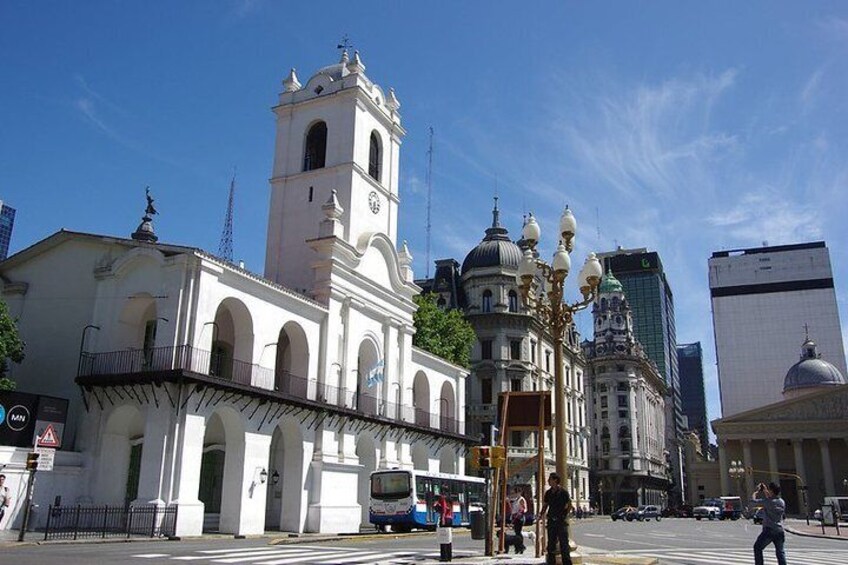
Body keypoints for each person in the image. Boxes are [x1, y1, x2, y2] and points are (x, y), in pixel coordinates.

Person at [539, 472, 573, 565]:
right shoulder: (548, 493)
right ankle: (551, 562)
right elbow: (545, 505)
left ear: (555, 480)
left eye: (550, 479)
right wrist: (541, 514)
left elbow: (569, 505)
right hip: (551, 521)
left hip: (561, 521)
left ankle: (567, 563)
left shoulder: (563, 492)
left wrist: (564, 514)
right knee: (551, 545)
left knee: (564, 544)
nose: (548, 481)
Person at [752, 482, 787, 565]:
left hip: (769, 530)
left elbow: (753, 501)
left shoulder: (767, 502)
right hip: (779, 530)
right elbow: (771, 499)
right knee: (780, 552)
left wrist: (756, 491)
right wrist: (765, 490)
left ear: (771, 491)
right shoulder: (781, 502)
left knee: (757, 547)